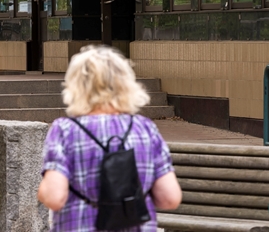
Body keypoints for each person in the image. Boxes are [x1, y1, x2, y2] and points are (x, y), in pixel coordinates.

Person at [38, 46, 182, 231]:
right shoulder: (145, 128)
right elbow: (170, 198)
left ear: (76, 85)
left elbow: (54, 198)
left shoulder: (65, 130)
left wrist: (41, 190)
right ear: (126, 84)